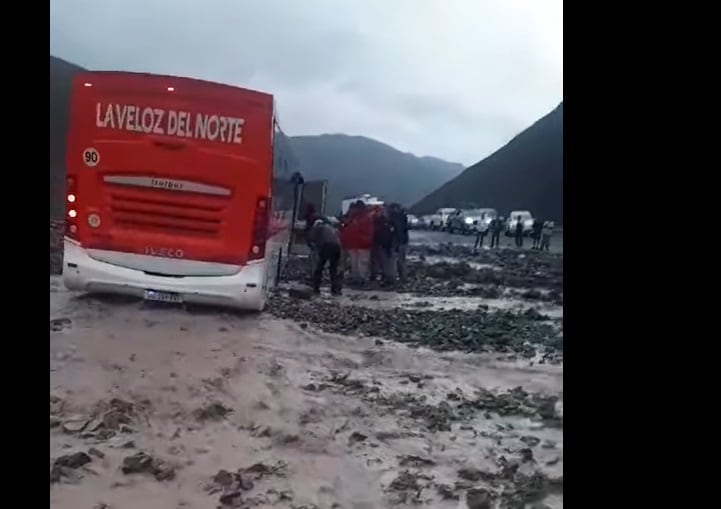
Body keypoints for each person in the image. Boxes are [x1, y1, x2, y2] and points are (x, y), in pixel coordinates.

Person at [309, 218, 342, 295]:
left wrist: (315, 248)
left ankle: (316, 287)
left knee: (319, 267)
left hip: (326, 246)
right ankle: (335, 288)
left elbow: (312, 239)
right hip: (337, 247)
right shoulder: (331, 228)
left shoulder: (317, 228)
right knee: (333, 268)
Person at [388, 203, 409, 284]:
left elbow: (398, 230)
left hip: (399, 241)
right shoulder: (402, 216)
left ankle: (400, 277)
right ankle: (402, 277)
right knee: (401, 260)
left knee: (398, 260)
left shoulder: (397, 217)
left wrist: (396, 243)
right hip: (402, 241)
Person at [371, 210, 394, 285]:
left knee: (383, 261)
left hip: (381, 244)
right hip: (383, 245)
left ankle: (387, 277)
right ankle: (387, 277)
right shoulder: (386, 223)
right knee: (384, 262)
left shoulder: (379, 223)